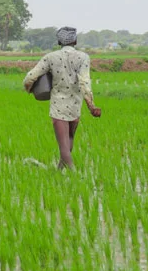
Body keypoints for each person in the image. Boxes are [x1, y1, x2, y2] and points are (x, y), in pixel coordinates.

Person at [23, 26, 102, 170]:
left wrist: (28, 88)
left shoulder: (50, 57)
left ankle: (74, 175)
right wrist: (91, 105)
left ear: (59, 42)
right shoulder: (83, 57)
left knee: (64, 149)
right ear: (75, 41)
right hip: (75, 106)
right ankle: (58, 173)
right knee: (69, 143)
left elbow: (30, 76)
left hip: (58, 106)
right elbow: (85, 82)